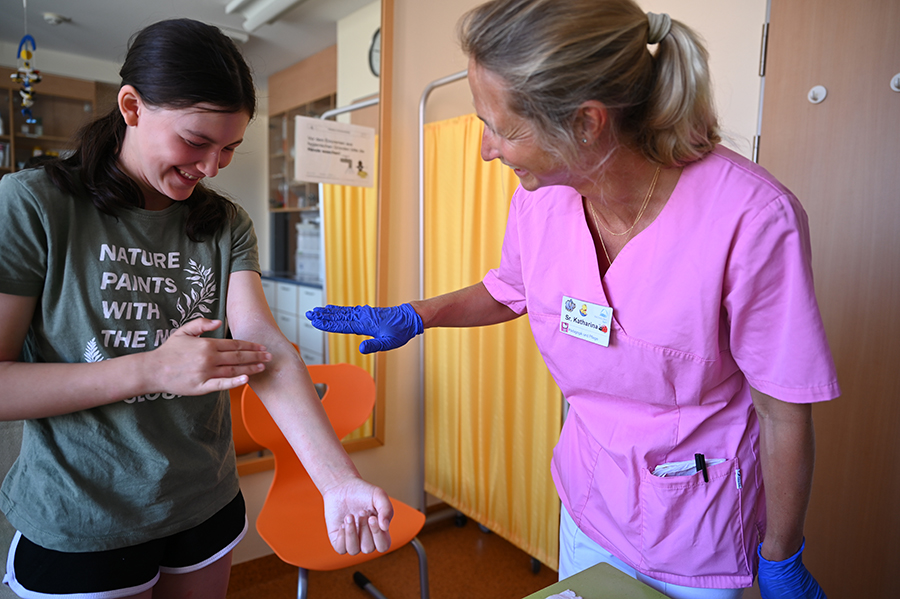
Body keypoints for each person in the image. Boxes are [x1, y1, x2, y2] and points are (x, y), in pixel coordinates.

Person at [306, 1, 839, 598]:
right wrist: (416, 315)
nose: (486, 149)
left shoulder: (752, 218)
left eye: (503, 129)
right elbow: (511, 289)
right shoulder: (542, 198)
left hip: (698, 521)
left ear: (586, 123)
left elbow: (783, 409)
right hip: (590, 497)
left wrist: (782, 554)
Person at [0, 19, 392, 599]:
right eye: (196, 141)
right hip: (84, 516)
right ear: (132, 107)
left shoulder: (225, 223)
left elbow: (266, 352)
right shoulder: (35, 205)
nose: (211, 167)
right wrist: (151, 369)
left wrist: (337, 482)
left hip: (204, 501)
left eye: (229, 148)